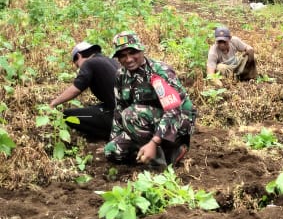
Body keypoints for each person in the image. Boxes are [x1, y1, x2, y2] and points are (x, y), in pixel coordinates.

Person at [104, 31, 196, 166]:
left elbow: (174, 110)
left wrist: (154, 143)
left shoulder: (159, 72)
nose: (128, 59)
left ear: (141, 50)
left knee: (132, 114)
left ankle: (163, 158)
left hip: (178, 122)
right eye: (122, 56)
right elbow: (119, 110)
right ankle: (146, 152)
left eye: (132, 53)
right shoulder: (121, 75)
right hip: (145, 123)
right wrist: (114, 139)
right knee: (112, 152)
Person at [49, 41, 119, 141]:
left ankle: (112, 136)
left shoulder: (89, 63)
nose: (79, 68)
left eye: (77, 65)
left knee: (66, 115)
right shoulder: (110, 61)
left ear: (79, 55)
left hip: (116, 115)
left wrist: (53, 103)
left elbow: (76, 89)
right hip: (127, 112)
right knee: (94, 109)